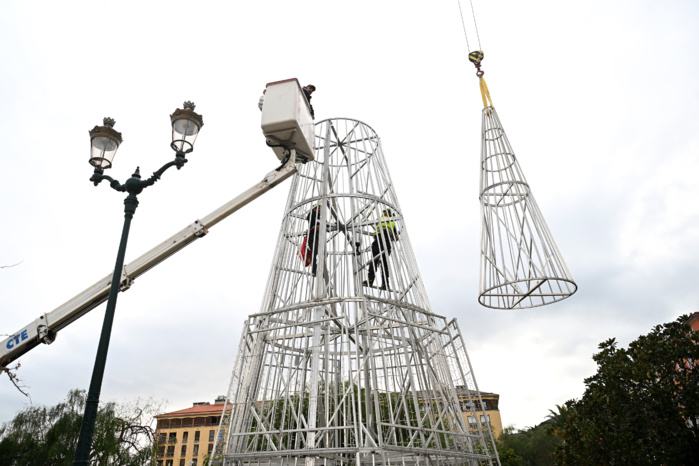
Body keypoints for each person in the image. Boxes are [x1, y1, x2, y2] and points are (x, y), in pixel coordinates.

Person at [363, 208, 399, 290]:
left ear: (388, 213)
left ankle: (373, 281)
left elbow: (395, 237)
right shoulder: (389, 221)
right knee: (381, 263)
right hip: (382, 240)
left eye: (384, 212)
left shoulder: (389, 221)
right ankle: (383, 283)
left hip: (383, 239)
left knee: (376, 261)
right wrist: (393, 236)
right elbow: (396, 237)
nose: (383, 213)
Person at [305, 203, 322, 276]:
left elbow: (324, 222)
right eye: (320, 208)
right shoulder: (312, 213)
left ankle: (320, 269)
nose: (321, 210)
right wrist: (317, 225)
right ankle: (314, 269)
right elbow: (313, 221)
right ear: (316, 208)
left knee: (321, 253)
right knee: (314, 252)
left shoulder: (319, 216)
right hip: (313, 236)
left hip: (317, 237)